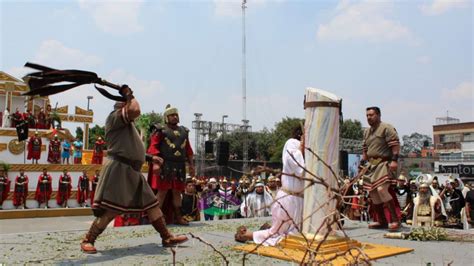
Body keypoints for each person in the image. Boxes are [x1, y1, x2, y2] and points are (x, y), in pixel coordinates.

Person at [81, 86, 187, 254]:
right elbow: (136, 110)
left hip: (132, 170)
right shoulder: (115, 119)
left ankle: (166, 236)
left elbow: (131, 149)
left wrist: (150, 158)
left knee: (152, 204)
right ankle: (88, 239)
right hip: (119, 169)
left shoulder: (127, 126)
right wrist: (130, 95)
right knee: (112, 209)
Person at [235, 127, 305, 245]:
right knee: (280, 236)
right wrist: (303, 147)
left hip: (299, 200)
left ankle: (263, 231)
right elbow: (300, 169)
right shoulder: (292, 143)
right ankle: (247, 235)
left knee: (294, 236)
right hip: (289, 198)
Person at [146, 104, 195, 226]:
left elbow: (188, 149)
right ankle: (156, 218)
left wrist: (191, 165)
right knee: (162, 192)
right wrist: (156, 164)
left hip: (179, 166)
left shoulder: (184, 131)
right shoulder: (160, 130)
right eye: (172, 115)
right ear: (166, 117)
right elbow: (153, 147)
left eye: (176, 115)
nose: (175, 117)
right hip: (165, 165)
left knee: (177, 192)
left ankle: (178, 217)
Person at [361, 106, 401, 232]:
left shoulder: (387, 128)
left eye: (371, 115)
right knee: (373, 192)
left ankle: (395, 220)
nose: (369, 117)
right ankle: (381, 220)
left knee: (381, 189)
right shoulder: (367, 131)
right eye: (367, 115)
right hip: (371, 165)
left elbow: (395, 146)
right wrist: (363, 162)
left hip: (384, 163)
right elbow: (365, 149)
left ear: (378, 115)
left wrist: (394, 160)